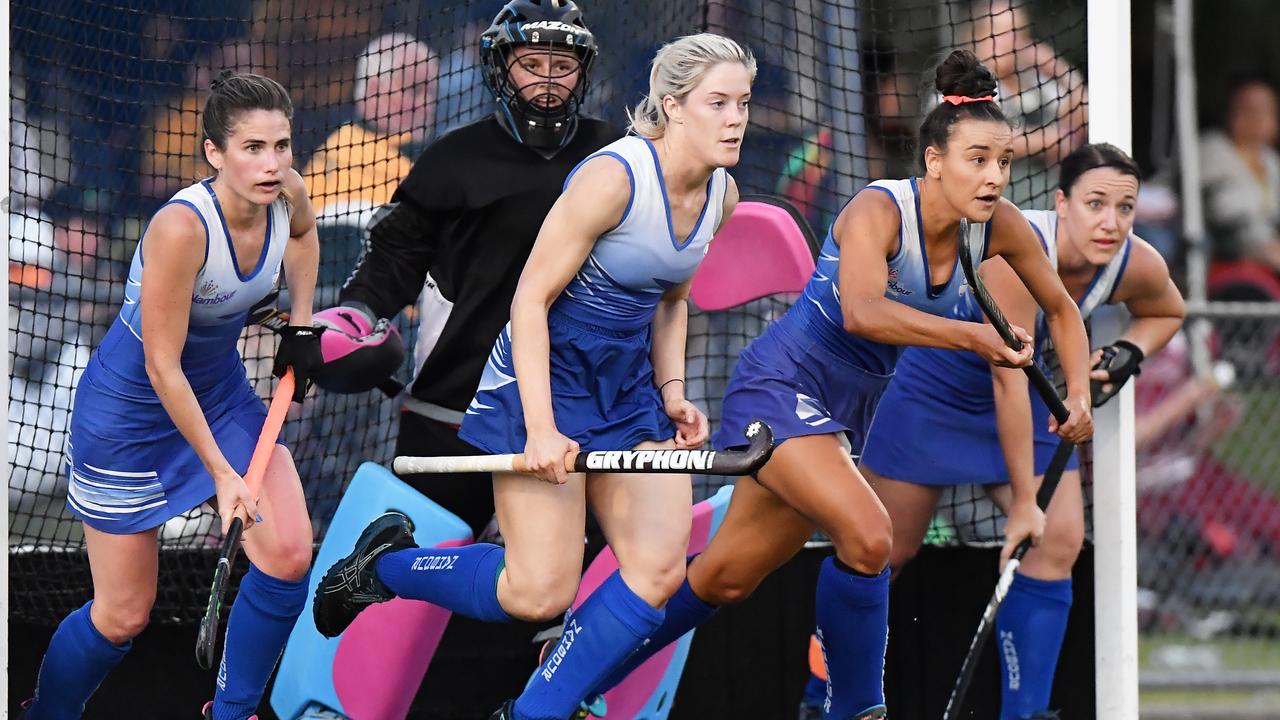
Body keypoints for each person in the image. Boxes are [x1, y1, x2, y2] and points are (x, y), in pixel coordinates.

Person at [581, 49, 1097, 720]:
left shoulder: (1001, 227)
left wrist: (1079, 394)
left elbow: (1061, 311)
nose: (995, 176)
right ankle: (852, 707)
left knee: (723, 578)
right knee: (871, 536)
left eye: (1002, 161)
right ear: (934, 161)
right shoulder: (878, 210)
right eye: (977, 159)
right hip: (780, 386)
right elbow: (864, 312)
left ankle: (572, 666)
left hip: (846, 412)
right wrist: (973, 337)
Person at [313, 33, 755, 720]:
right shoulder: (615, 178)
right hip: (542, 376)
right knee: (537, 593)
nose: (735, 120)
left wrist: (672, 393)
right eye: (718, 103)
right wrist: (543, 429)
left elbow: (670, 299)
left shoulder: (722, 194)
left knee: (658, 573)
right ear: (673, 107)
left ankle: (535, 711)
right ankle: (382, 568)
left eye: (743, 104)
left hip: (627, 386)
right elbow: (529, 300)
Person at [20, 73, 322, 720]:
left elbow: (301, 238)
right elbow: (162, 366)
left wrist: (299, 326)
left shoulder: (288, 190)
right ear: (214, 152)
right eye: (251, 148)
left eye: (281, 145)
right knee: (122, 616)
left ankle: (232, 711)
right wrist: (222, 475)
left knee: (291, 553)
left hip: (218, 396)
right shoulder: (182, 229)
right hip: (128, 420)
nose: (271, 164)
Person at [858, 143, 1185, 719]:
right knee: (880, 550)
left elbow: (1167, 311)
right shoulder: (1013, 252)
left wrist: (1131, 350)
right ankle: (828, 696)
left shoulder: (1134, 261)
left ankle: (1025, 712)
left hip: (1026, 393)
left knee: (1057, 541)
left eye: (1126, 208)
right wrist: (1022, 503)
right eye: (1095, 204)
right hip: (939, 390)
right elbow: (1006, 381)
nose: (1111, 222)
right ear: (1062, 203)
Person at [317, 0, 622, 541]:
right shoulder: (452, 160)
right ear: (500, 66)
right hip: (453, 412)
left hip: (580, 416)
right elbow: (394, 255)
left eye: (563, 65)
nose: (548, 81)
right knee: (409, 581)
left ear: (584, 70)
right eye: (531, 64)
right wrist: (354, 315)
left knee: (564, 585)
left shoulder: (617, 154)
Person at [300, 32, 439, 216]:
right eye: (414, 90)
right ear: (375, 91)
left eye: (432, 93)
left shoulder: (425, 159)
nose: (427, 105)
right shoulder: (345, 155)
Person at [1200, 74, 1280, 274]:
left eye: (1266, 110)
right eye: (1250, 110)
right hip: (1227, 261)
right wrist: (1266, 249)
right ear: (1231, 112)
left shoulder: (1270, 160)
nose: (1258, 118)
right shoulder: (1213, 151)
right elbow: (1223, 217)